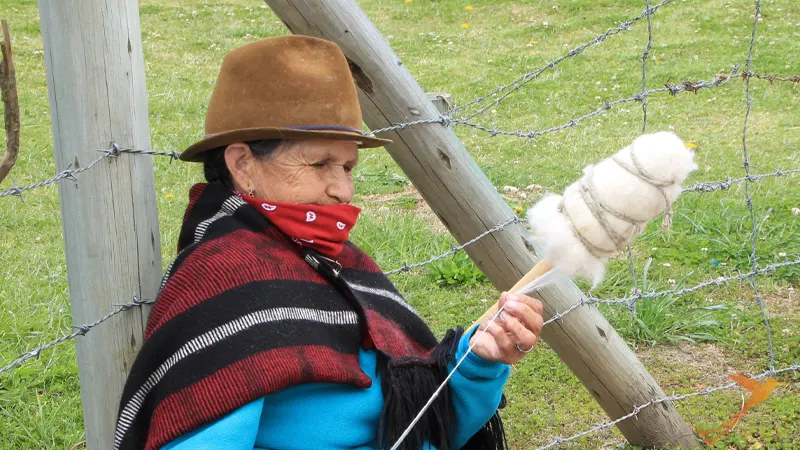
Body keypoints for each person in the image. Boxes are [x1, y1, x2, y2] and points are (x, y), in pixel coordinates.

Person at [114, 35, 544, 450]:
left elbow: (421, 424)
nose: (343, 191)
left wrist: (479, 363)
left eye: (348, 167)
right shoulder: (223, 278)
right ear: (243, 165)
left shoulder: (332, 262)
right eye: (320, 163)